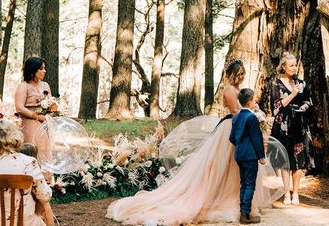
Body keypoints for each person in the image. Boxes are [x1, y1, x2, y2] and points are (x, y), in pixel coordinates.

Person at [106, 59, 275, 226]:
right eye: (238, 74)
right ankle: (223, 199)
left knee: (237, 170)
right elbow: (235, 112)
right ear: (231, 75)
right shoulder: (230, 90)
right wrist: (252, 115)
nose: (241, 76)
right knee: (223, 167)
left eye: (243, 74)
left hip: (240, 126)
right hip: (232, 128)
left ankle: (242, 202)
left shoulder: (240, 89)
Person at [0, 120, 53, 226]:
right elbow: (45, 195)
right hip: (23, 223)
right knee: (44, 203)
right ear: (16, 137)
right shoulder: (28, 162)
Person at [270, 51, 314, 205]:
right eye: (291, 65)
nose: (294, 68)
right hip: (283, 126)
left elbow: (309, 102)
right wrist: (293, 94)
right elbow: (275, 107)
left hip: (299, 126)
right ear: (283, 67)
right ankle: (286, 193)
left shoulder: (302, 83)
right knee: (284, 161)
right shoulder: (276, 84)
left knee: (298, 160)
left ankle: (296, 193)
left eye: (295, 65)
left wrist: (304, 106)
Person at [230, 88, 266, 225]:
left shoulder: (237, 117)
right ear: (250, 102)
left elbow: (232, 138)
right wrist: (261, 156)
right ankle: (245, 214)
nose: (255, 101)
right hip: (250, 155)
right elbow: (257, 139)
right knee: (250, 184)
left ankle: (243, 212)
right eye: (254, 99)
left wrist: (241, 143)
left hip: (239, 154)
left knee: (244, 183)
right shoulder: (251, 118)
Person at [14, 57, 52, 159]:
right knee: (32, 150)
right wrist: (37, 116)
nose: (44, 71)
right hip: (29, 125)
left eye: (44, 68)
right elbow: (19, 108)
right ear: (33, 70)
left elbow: (50, 103)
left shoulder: (45, 85)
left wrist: (51, 110)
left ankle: (45, 175)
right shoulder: (23, 86)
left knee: (44, 150)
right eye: (41, 69)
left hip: (44, 125)